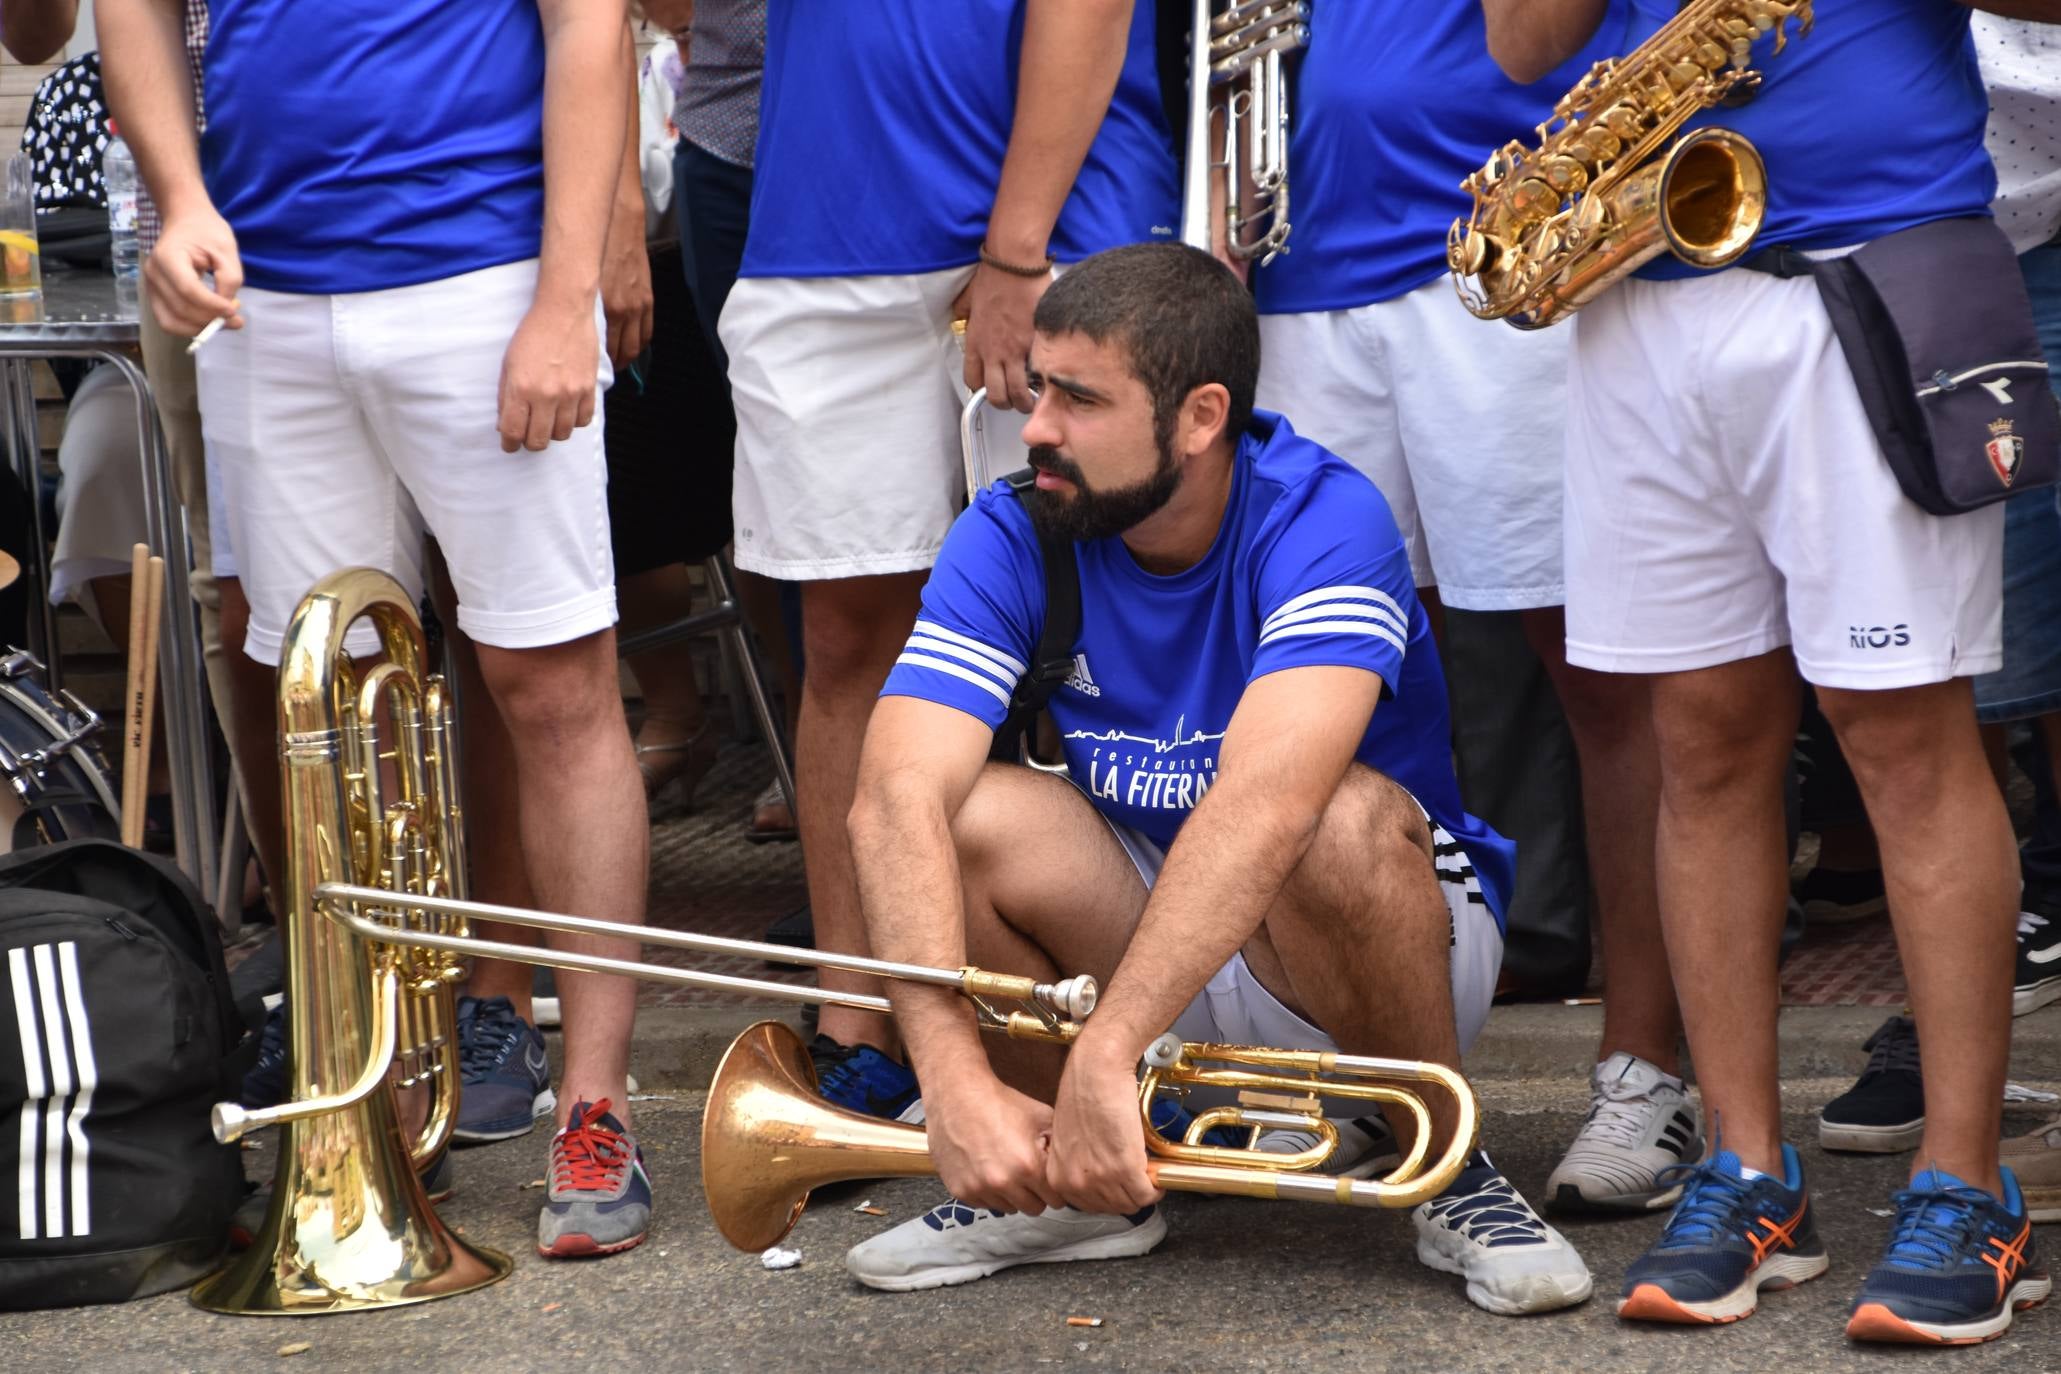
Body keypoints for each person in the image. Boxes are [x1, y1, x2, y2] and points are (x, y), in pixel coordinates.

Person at [840, 243, 1590, 1315]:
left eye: (1079, 399)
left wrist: (1110, 1041)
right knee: (955, 814)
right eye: (1039, 387)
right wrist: (952, 1077)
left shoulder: (1323, 516)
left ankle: (1446, 1160)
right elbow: (889, 799)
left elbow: (1269, 805)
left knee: (1333, 815)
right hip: (1155, 919)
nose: (1038, 426)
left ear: (1199, 417)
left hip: (1360, 927)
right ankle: (1078, 1183)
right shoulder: (1014, 525)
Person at [1484, 0, 2055, 1343]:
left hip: (1878, 263)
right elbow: (1520, 44)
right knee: (1703, 742)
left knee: (1904, 742)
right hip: (1648, 285)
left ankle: (1968, 1188)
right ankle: (1748, 1169)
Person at [102, 0, 655, 1259]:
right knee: (331, 718)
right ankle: (381, 1097)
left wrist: (564, 297)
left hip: (483, 273)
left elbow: (589, 23)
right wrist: (179, 195)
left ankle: (596, 1105)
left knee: (554, 687)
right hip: (268, 301)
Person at [1247, 0, 1690, 1216]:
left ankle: (1649, 1071)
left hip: (1506, 246)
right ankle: (1363, 1074)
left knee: (1602, 674)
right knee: (1327, 691)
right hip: (1299, 267)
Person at [718, 0, 1180, 1116]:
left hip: (1063, 215)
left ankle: (1160, 1027)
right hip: (826, 212)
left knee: (1112, 616)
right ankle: (858, 1022)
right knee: (844, 641)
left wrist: (1017, 248)